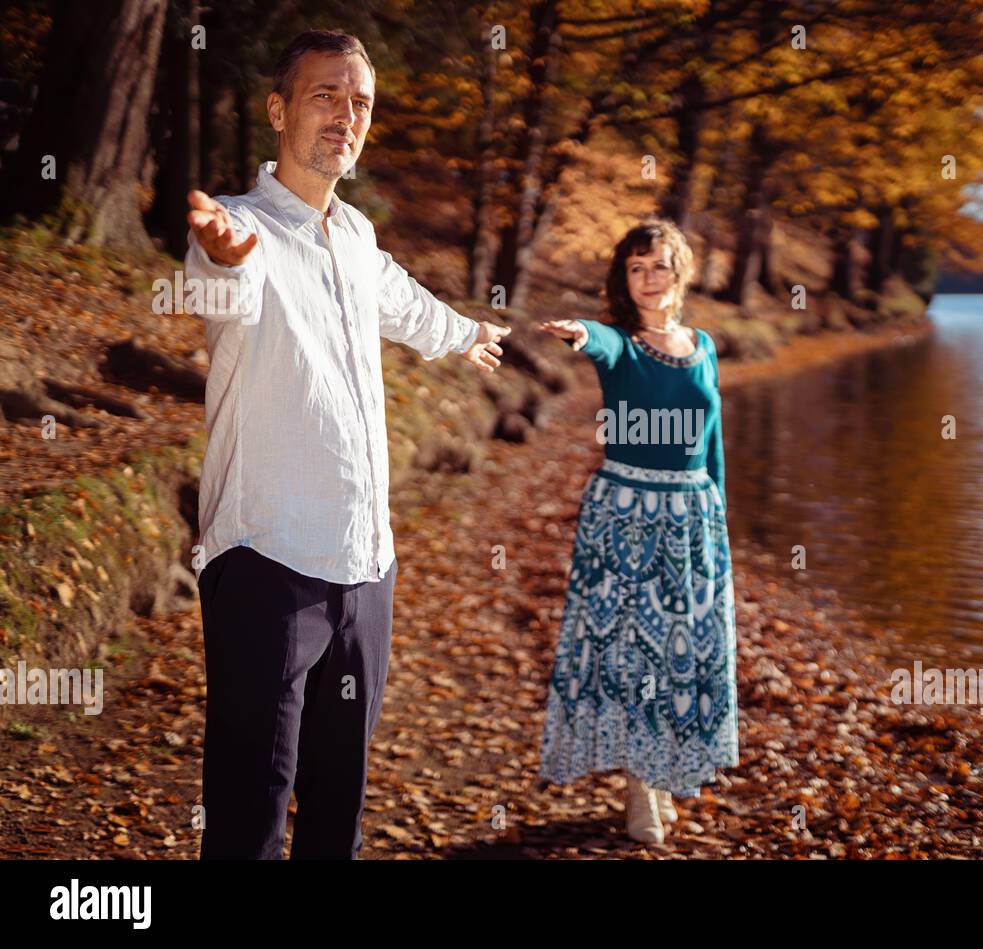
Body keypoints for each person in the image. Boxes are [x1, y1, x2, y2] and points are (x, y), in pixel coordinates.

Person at [183, 29, 510, 859]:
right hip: (267, 564)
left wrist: (466, 333)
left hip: (367, 569)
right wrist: (222, 259)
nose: (346, 115)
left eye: (360, 101)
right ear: (278, 109)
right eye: (326, 94)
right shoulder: (239, 226)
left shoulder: (358, 236)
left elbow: (404, 304)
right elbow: (223, 276)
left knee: (337, 819)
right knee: (250, 818)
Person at [537, 219, 738, 845]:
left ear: (682, 271)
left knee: (682, 651)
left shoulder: (703, 344)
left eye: (659, 265)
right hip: (626, 515)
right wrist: (579, 333)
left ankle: (661, 771)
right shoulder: (621, 341)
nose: (649, 278)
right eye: (635, 267)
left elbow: (713, 444)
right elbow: (599, 343)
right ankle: (638, 788)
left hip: (692, 514)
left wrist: (720, 521)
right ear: (624, 278)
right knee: (632, 653)